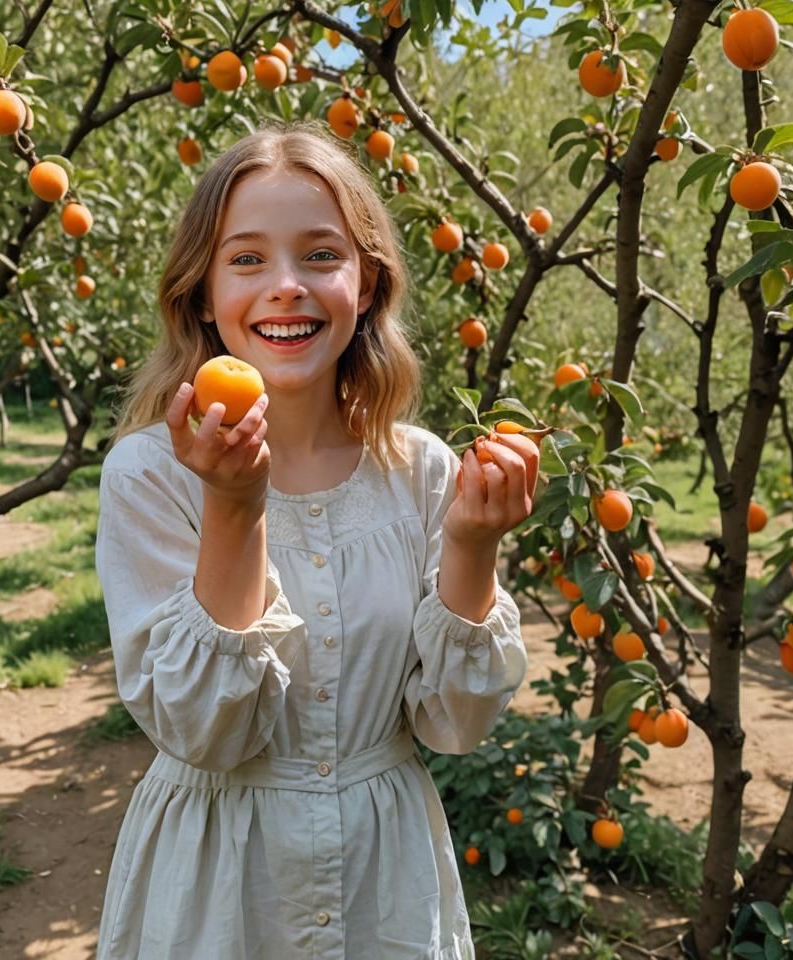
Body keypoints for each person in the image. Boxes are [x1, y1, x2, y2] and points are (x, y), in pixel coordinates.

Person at [94, 120, 536, 959]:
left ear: (367, 284)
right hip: (222, 888)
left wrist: (474, 548)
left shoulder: (420, 472)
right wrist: (235, 504)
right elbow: (204, 732)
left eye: (322, 255)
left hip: (385, 878)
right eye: (248, 258)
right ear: (204, 293)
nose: (286, 285)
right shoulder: (152, 475)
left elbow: (455, 724)